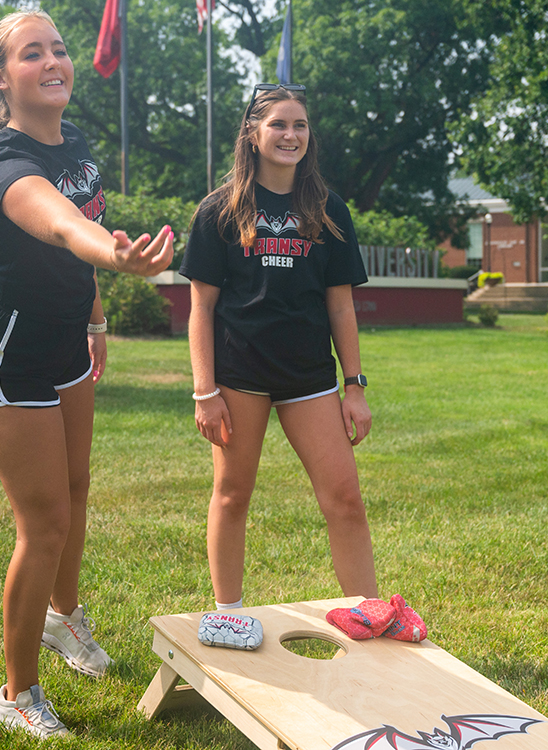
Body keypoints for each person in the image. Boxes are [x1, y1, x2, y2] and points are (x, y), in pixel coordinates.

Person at [0, 10, 173, 739]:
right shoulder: (6, 164)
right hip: (9, 351)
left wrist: (96, 318)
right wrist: (112, 256)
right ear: (1, 78)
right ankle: (16, 695)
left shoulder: (74, 144)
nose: (54, 61)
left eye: (58, 49)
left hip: (66, 343)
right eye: (32, 53)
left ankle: (61, 618)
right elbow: (62, 224)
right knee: (43, 523)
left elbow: (77, 220)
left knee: (77, 492)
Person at [180, 83, 378, 613]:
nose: (291, 135)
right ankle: (230, 615)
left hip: (308, 377)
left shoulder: (328, 209)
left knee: (345, 499)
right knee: (232, 495)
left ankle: (367, 612)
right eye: (278, 125)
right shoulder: (220, 210)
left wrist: (353, 386)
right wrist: (205, 390)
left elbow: (341, 307)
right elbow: (200, 308)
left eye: (300, 126)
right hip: (238, 374)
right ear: (252, 133)